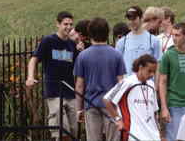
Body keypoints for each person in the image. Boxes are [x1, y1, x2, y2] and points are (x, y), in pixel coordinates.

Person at [26, 11, 78, 141]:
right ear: (58, 24)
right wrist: (30, 77)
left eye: (71, 24)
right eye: (65, 24)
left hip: (71, 92)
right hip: (54, 92)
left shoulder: (72, 45)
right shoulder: (48, 41)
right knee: (61, 131)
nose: (68, 27)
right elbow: (33, 59)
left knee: (73, 131)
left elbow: (78, 67)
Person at [74, 18, 126, 141]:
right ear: (107, 33)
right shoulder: (116, 55)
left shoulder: (83, 56)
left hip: (91, 103)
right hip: (112, 105)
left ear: (90, 34)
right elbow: (121, 83)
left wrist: (78, 109)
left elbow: (80, 85)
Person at [103, 54, 161, 141]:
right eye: (149, 71)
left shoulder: (152, 85)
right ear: (141, 67)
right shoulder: (127, 82)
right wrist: (118, 119)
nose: (152, 74)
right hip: (133, 134)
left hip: (153, 135)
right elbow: (107, 100)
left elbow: (154, 112)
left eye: (154, 71)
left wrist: (159, 131)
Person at [115, 6, 162, 74]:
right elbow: (117, 67)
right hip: (129, 83)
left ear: (141, 18)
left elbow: (158, 66)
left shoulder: (153, 40)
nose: (131, 22)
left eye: (134, 18)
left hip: (147, 83)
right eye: (129, 19)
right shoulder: (122, 42)